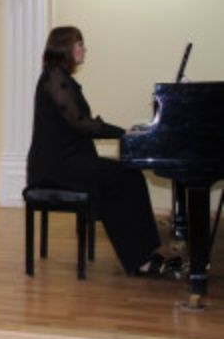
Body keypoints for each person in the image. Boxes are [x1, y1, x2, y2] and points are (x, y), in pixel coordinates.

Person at [26, 26, 181, 277]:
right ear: (64, 48)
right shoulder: (54, 77)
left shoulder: (60, 77)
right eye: (79, 44)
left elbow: (80, 123)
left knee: (127, 176)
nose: (84, 49)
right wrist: (122, 133)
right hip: (54, 167)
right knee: (124, 177)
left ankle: (144, 254)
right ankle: (140, 259)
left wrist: (122, 132)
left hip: (67, 161)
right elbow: (81, 123)